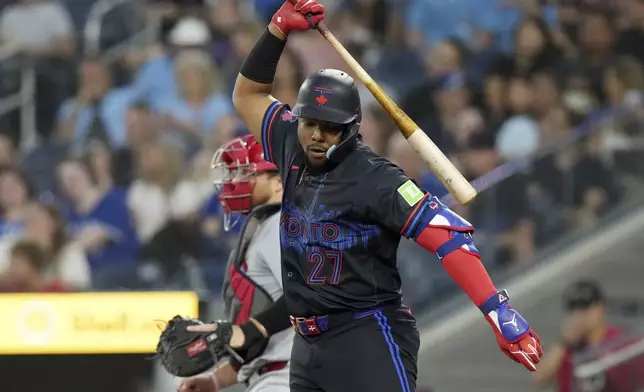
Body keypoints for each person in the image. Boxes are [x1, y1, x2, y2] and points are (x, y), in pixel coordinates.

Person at [189, 1, 543, 391]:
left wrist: (497, 310)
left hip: (367, 333)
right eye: (310, 124)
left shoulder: (376, 178)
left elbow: (449, 237)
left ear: (352, 129)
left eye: (331, 128)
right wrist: (276, 31)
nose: (317, 136)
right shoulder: (291, 141)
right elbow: (248, 94)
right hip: (307, 347)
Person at [179, 134, 292, 392]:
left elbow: (304, 297)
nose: (234, 182)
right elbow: (266, 342)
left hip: (286, 376)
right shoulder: (267, 226)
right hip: (278, 373)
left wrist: (245, 331)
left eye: (247, 174)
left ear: (278, 182)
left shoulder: (280, 225)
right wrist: (216, 380)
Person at [533, 280, 626, 392]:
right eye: (575, 310)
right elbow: (539, 379)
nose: (580, 316)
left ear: (601, 307)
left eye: (585, 308)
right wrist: (564, 342)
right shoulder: (566, 347)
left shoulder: (618, 339)